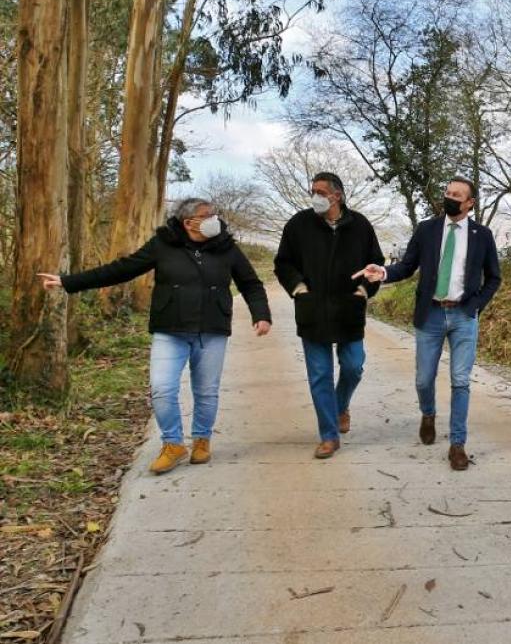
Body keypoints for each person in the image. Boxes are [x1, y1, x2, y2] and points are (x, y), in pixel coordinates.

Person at [37, 198, 272, 474]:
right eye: (206, 215)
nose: (214, 219)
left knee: (206, 391)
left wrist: (261, 314)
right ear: (188, 223)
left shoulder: (226, 247)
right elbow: (122, 269)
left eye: (214, 214)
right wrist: (68, 281)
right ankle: (172, 444)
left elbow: (251, 284)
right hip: (170, 329)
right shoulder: (163, 244)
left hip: (212, 329)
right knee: (162, 388)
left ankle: (201, 440)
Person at [354, 176, 501, 471]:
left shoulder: (481, 235)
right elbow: (407, 266)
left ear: (470, 203)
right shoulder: (427, 229)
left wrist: (475, 307)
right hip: (430, 314)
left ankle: (457, 444)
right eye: (447, 192)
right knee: (424, 379)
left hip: (463, 316)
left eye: (457, 195)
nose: (450, 197)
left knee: (460, 381)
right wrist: (383, 272)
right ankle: (428, 413)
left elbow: (494, 277)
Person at [274, 172, 384, 459]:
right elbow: (283, 263)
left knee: (353, 367)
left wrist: (363, 290)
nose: (315, 197)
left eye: (321, 192)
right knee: (320, 375)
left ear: (337, 195)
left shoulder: (359, 225)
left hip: (349, 310)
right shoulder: (298, 224)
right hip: (312, 312)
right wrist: (299, 289)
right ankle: (328, 435)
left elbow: (377, 264)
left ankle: (340, 406)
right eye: (313, 191)